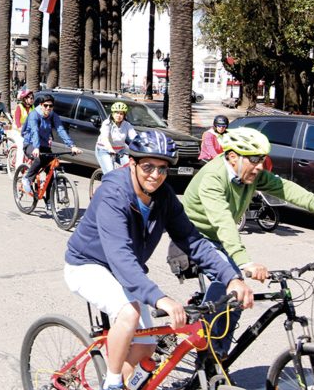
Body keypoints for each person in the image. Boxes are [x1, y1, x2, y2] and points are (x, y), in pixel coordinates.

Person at [65, 131, 254, 390]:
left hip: (124, 270)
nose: (155, 175)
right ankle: (110, 383)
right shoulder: (113, 193)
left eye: (162, 168)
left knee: (146, 345)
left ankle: (125, 383)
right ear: (132, 163)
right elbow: (120, 255)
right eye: (147, 167)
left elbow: (192, 240)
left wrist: (230, 277)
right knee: (129, 313)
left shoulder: (164, 197)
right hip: (87, 264)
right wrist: (159, 297)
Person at [181, 127, 314, 355]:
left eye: (262, 160)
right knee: (234, 288)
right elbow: (223, 222)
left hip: (219, 239)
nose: (259, 167)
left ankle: (217, 351)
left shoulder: (249, 174)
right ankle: (209, 358)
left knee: (235, 300)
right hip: (196, 238)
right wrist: (246, 263)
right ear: (233, 156)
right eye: (254, 160)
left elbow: (285, 188)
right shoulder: (213, 178)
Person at [95, 101, 137, 174]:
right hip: (105, 150)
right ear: (113, 113)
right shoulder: (107, 123)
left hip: (120, 151)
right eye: (117, 113)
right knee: (110, 172)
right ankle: (108, 184)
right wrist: (110, 149)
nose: (119, 115)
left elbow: (135, 137)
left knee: (131, 168)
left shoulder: (126, 124)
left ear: (124, 115)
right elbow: (105, 138)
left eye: (121, 114)